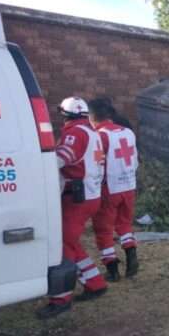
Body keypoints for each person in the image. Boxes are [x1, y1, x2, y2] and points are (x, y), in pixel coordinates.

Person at [37, 97, 108, 319]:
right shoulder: (91, 132)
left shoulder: (74, 133)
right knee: (71, 241)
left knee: (63, 244)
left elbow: (61, 159)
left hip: (76, 197)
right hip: (90, 195)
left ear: (65, 115)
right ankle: (95, 282)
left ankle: (61, 298)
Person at [88, 98, 139, 281]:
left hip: (109, 188)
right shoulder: (128, 132)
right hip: (129, 185)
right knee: (124, 224)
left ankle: (112, 270)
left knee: (104, 230)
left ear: (92, 117)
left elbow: (96, 164)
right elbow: (134, 160)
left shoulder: (99, 136)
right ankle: (132, 257)